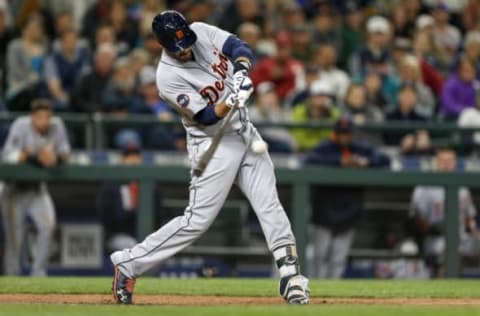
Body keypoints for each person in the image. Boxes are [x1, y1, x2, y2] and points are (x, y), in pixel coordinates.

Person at [110, 10, 310, 305]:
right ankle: (129, 262)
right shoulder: (167, 77)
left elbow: (238, 48)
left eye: (186, 42)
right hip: (213, 144)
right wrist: (229, 100)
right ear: (163, 45)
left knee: (269, 203)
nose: (185, 49)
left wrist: (241, 71)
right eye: (177, 47)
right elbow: (204, 117)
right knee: (197, 221)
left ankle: (291, 277)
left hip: (245, 132)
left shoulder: (200, 31)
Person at [304, 118, 390, 278]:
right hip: (324, 212)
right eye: (341, 133)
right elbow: (309, 160)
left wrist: (365, 162)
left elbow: (385, 159)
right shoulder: (326, 148)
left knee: (338, 259)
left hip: (348, 212)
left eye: (347, 134)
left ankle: (331, 294)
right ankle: (315, 291)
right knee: (319, 257)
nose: (344, 137)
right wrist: (339, 161)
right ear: (335, 134)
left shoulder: (359, 149)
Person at [1, 99, 71, 276]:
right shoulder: (21, 125)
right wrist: (34, 156)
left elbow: (65, 151)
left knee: (48, 226)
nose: (44, 121)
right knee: (14, 239)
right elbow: (9, 155)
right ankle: (12, 278)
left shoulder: (57, 125)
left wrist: (56, 158)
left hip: (37, 190)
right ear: (32, 116)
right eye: (39, 117)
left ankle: (38, 273)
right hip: (13, 191)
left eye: (47, 116)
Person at [410, 148, 480, 277]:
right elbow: (417, 221)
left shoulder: (463, 187)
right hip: (437, 239)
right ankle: (446, 290)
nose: (447, 164)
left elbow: (469, 219)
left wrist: (475, 231)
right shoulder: (424, 187)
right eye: (443, 161)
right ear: (436, 163)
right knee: (449, 251)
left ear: (455, 163)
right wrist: (436, 227)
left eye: (450, 160)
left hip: (462, 238)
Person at [291, 79, 340, 152]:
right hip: (303, 151)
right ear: (311, 97)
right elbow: (298, 138)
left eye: (325, 96)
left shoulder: (334, 113)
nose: (322, 99)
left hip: (327, 151)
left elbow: (334, 137)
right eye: (319, 95)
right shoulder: (299, 111)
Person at [72, 43, 117, 113]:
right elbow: (76, 99)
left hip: (113, 118)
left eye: (108, 58)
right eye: (102, 58)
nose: (105, 61)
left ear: (113, 61)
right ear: (96, 59)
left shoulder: (117, 77)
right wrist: (94, 110)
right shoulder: (86, 78)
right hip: (89, 117)